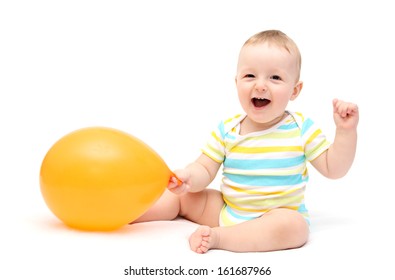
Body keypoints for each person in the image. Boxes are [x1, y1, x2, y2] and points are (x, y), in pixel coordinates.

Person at [134, 30, 359, 254]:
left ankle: (220, 238)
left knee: (295, 227)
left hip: (275, 217)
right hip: (228, 210)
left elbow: (334, 168)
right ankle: (127, 213)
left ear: (295, 90)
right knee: (184, 198)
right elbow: (204, 167)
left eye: (275, 78)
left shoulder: (301, 129)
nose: (260, 85)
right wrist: (188, 178)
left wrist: (345, 131)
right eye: (250, 76)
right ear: (237, 82)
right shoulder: (228, 129)